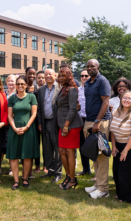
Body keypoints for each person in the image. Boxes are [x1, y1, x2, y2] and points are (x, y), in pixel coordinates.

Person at [83, 59, 111, 199]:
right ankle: (98, 184)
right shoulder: (87, 82)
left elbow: (106, 101)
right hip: (89, 121)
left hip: (99, 122)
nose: (90, 68)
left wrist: (97, 122)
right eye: (88, 66)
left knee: (101, 156)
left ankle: (104, 189)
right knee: (94, 154)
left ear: (98, 67)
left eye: (92, 66)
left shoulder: (102, 81)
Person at [6, 75, 39, 190]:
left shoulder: (31, 97)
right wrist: (14, 128)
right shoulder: (12, 98)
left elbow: (34, 114)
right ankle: (16, 180)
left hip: (28, 130)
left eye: (22, 84)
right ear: (15, 85)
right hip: (14, 130)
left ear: (26, 85)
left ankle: (25, 178)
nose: (20, 86)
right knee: (14, 156)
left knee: (27, 155)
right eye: (18, 84)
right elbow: (9, 115)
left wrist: (27, 127)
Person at [110, 91, 131, 203]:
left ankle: (130, 198)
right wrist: (113, 146)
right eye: (125, 98)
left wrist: (125, 151)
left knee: (127, 173)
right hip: (118, 145)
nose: (126, 100)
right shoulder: (116, 111)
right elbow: (112, 130)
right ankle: (120, 194)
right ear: (121, 99)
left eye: (129, 98)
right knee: (117, 171)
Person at [55, 67, 83, 190]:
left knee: (69, 152)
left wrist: (66, 126)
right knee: (62, 151)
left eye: (63, 76)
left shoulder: (72, 90)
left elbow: (72, 109)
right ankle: (69, 176)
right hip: (63, 125)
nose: (60, 78)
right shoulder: (63, 89)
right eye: (59, 76)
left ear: (68, 76)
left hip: (71, 125)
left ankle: (72, 180)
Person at [37, 69, 62, 183]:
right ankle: (50, 170)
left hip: (55, 122)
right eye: (45, 74)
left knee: (57, 148)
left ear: (55, 75)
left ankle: (58, 173)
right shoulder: (41, 90)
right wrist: (39, 123)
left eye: (50, 74)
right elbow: (38, 109)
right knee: (47, 148)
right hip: (44, 122)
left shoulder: (60, 88)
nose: (47, 76)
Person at [76, 69, 92, 177]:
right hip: (80, 119)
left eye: (86, 75)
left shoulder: (94, 89)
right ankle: (86, 169)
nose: (84, 77)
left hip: (91, 120)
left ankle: (98, 171)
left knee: (94, 145)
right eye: (82, 76)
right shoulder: (77, 90)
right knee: (82, 146)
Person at [25, 67, 40, 175]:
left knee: (35, 143)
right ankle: (26, 166)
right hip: (24, 118)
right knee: (25, 143)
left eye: (34, 74)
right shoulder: (22, 87)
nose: (32, 76)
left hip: (34, 119)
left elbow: (38, 107)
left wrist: (39, 123)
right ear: (26, 74)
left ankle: (37, 164)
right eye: (30, 73)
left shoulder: (37, 89)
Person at [1, 74, 17, 176]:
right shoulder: (3, 94)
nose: (10, 83)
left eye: (13, 81)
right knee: (1, 146)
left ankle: (12, 169)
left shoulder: (18, 94)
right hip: (3, 123)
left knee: (12, 146)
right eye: (9, 81)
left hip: (14, 124)